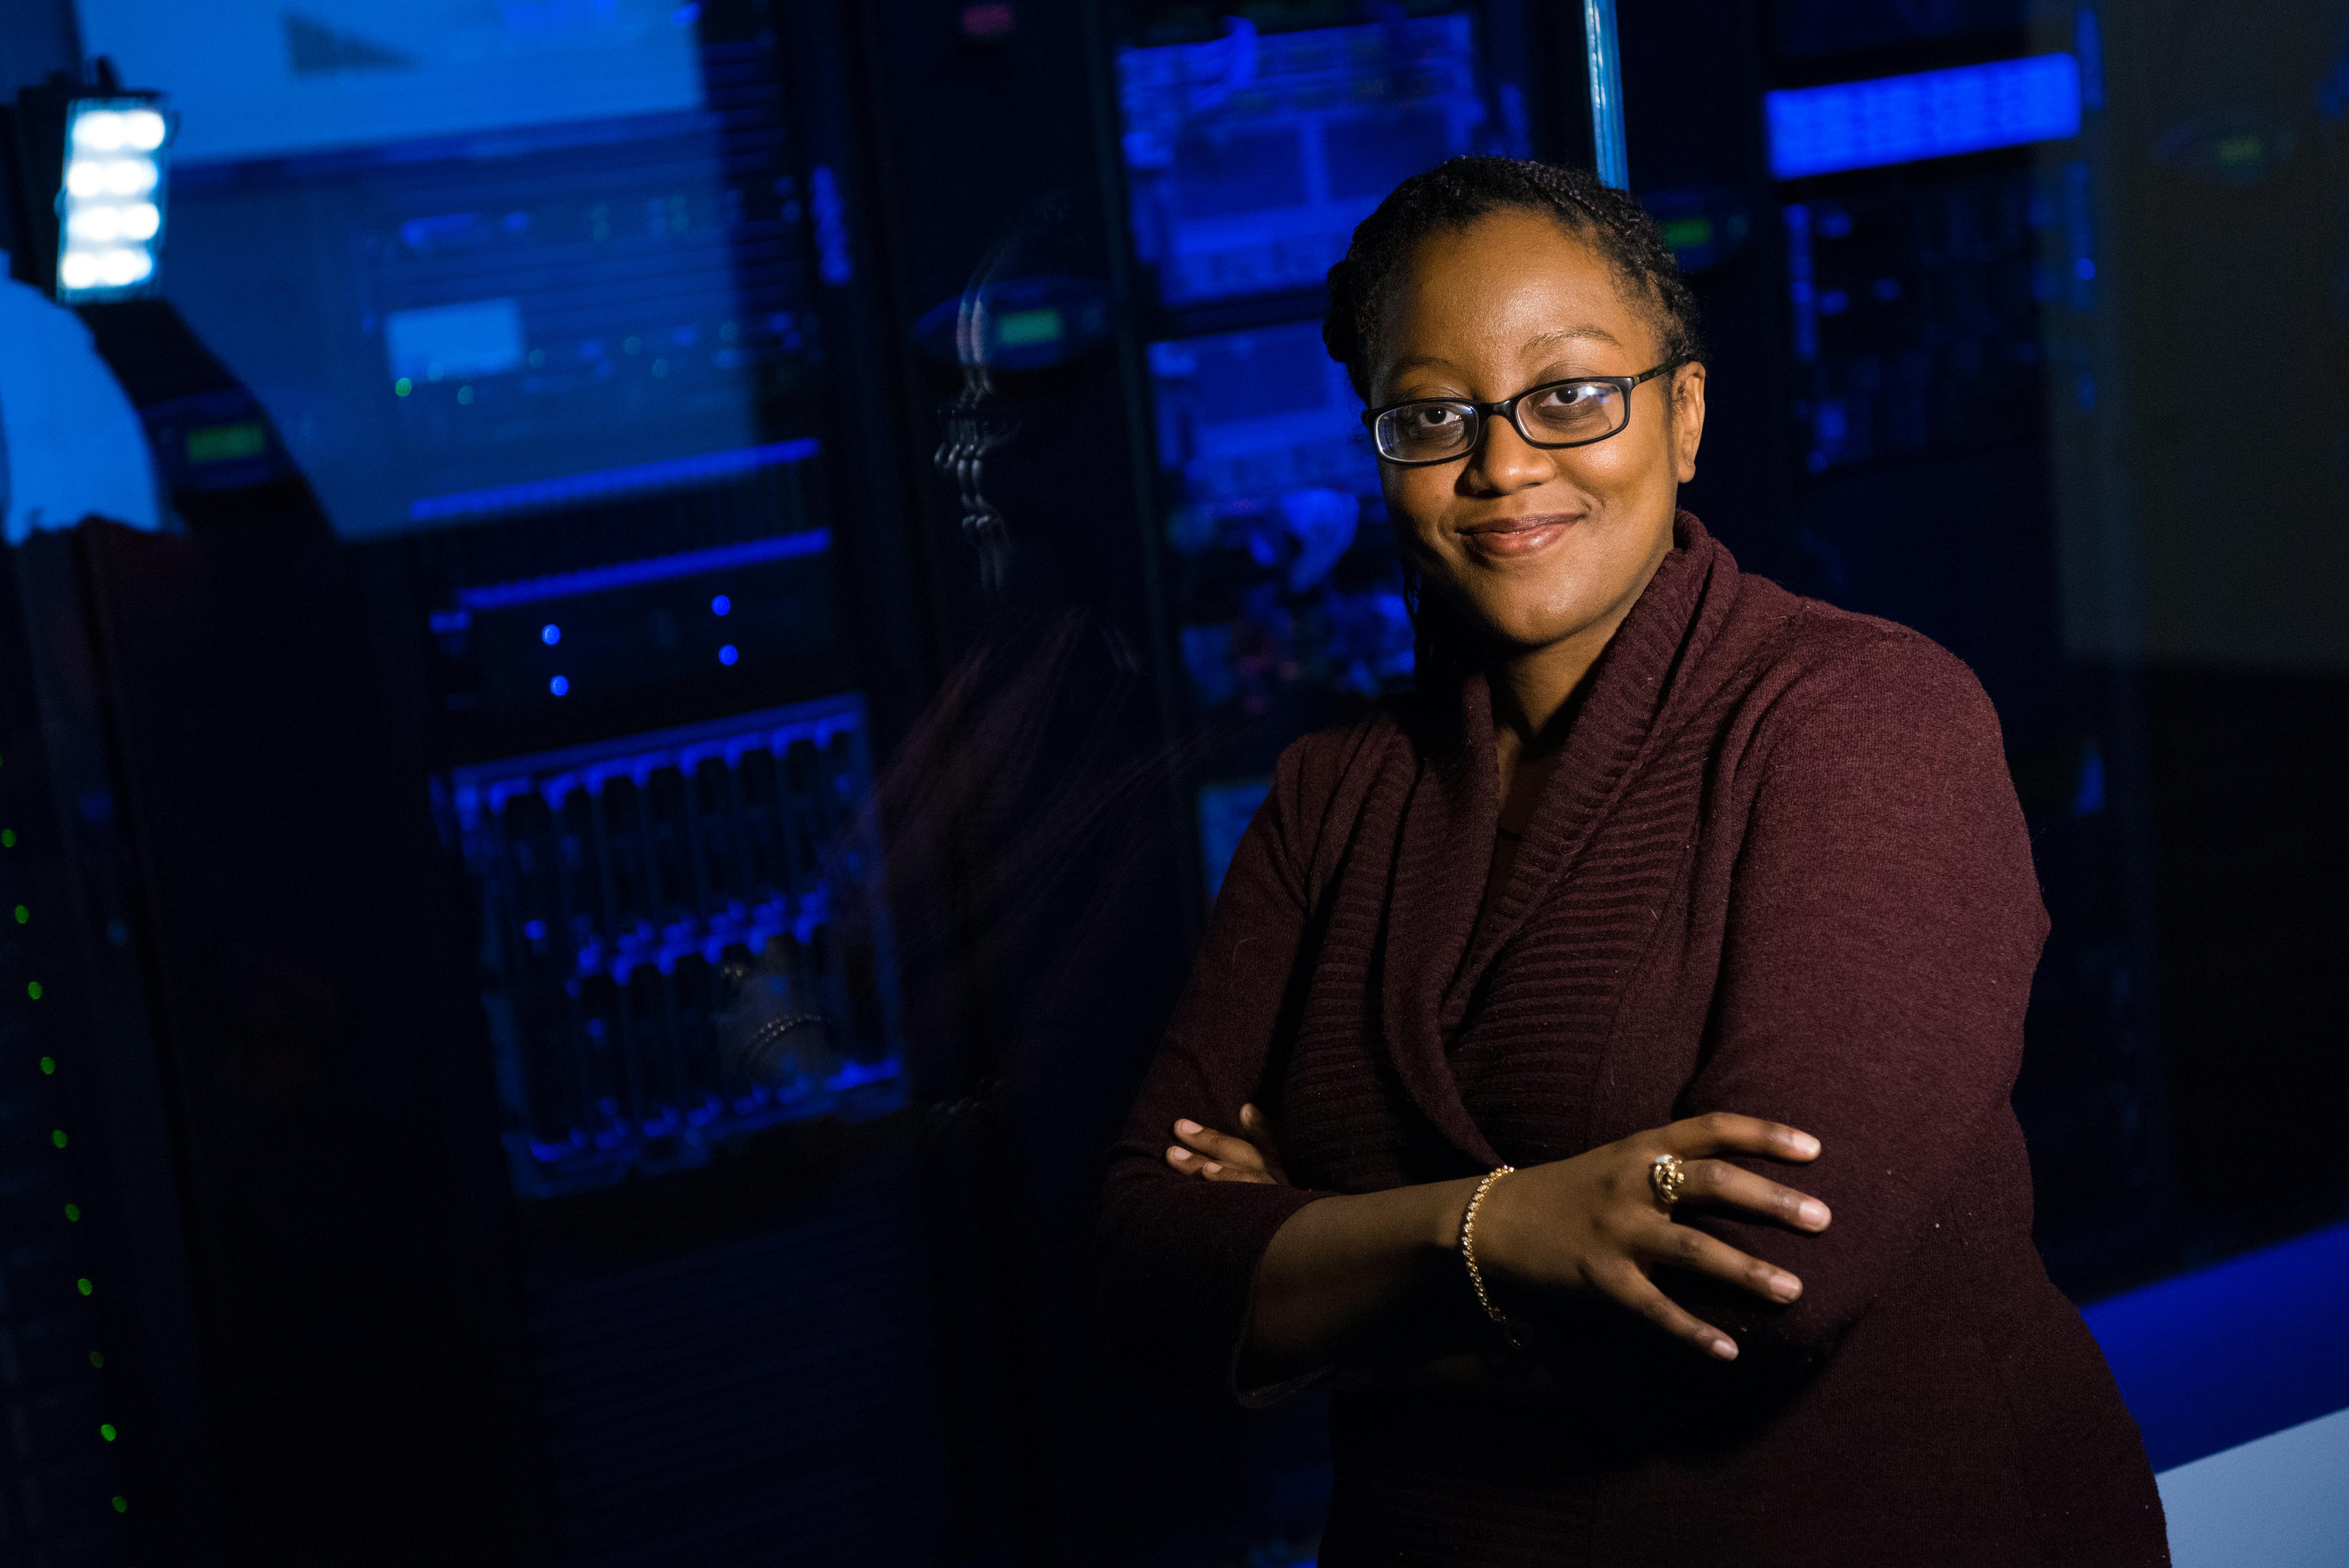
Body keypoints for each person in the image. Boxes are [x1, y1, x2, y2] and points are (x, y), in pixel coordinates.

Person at [1097, 158, 2168, 1566]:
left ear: (1685, 417)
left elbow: (1764, 1293)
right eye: (1433, 417)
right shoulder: (1331, 796)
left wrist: (1322, 1263)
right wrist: (1511, 1226)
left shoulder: (1864, 724)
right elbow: (1144, 1270)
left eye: (1571, 394)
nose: (1503, 464)